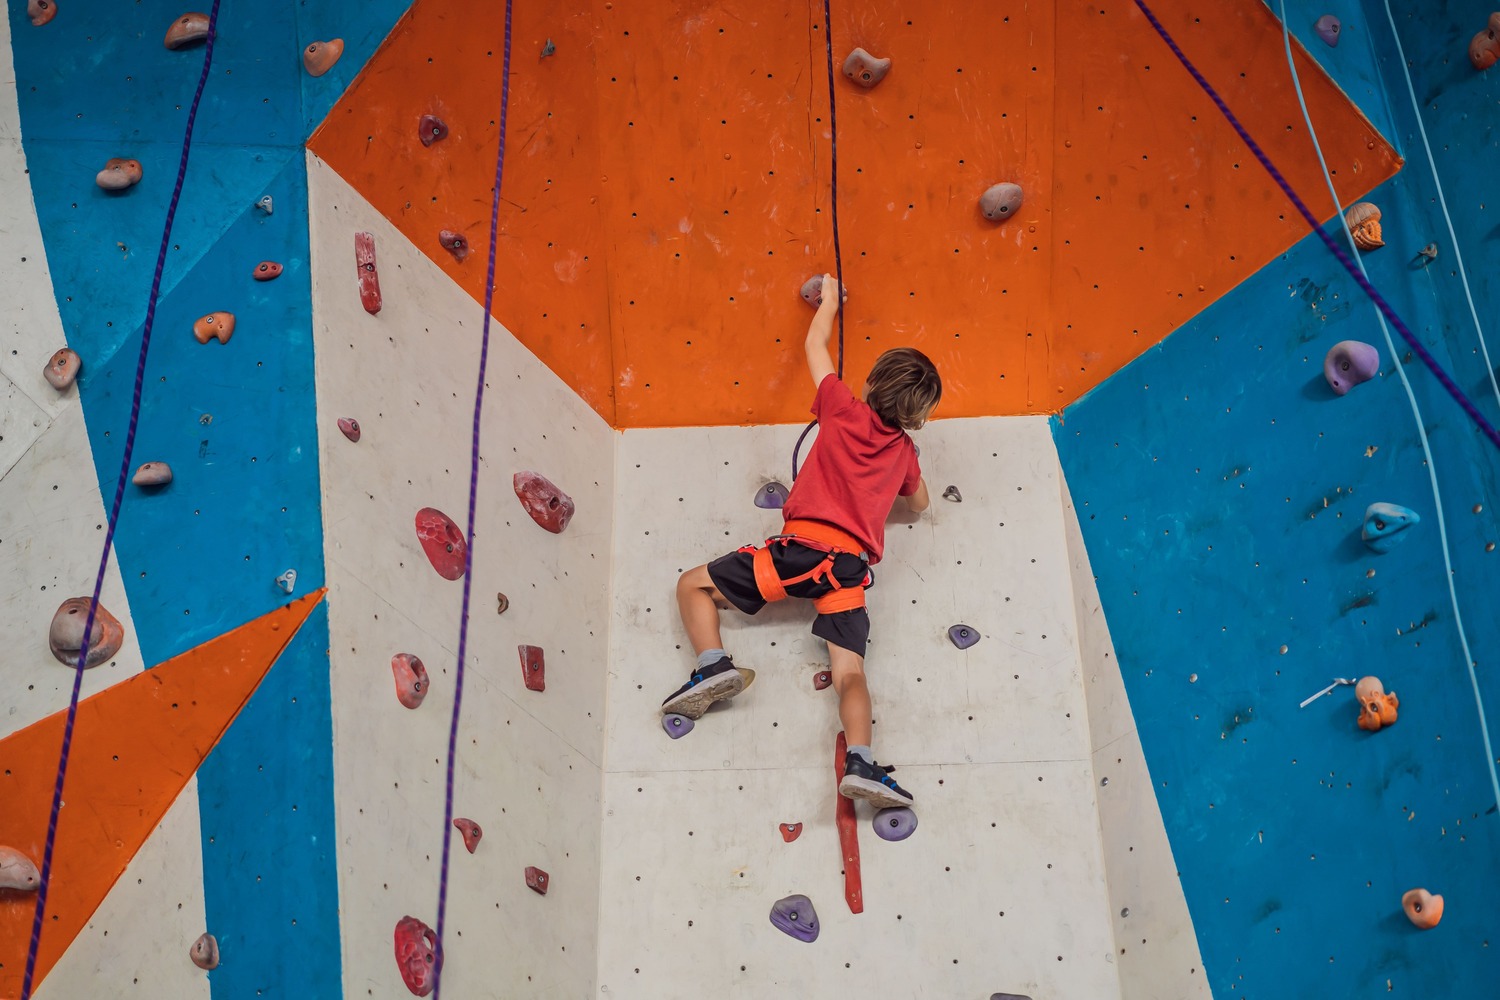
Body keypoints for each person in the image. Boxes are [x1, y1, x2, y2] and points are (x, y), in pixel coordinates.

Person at [661, 274, 941, 808]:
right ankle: (860, 760)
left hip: (799, 552)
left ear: (873, 385)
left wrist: (831, 301)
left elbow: (814, 346)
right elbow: (921, 504)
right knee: (850, 671)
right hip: (848, 572)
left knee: (691, 586)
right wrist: (910, 461)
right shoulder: (905, 452)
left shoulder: (841, 406)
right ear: (917, 415)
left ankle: (712, 664)